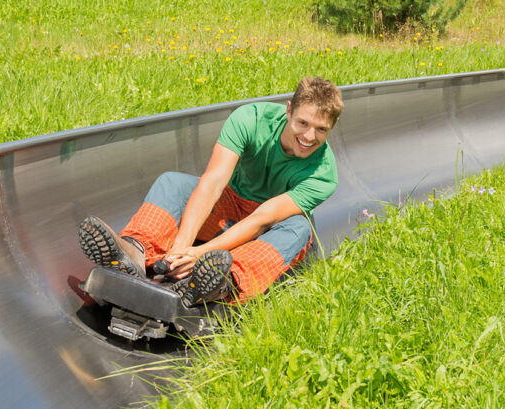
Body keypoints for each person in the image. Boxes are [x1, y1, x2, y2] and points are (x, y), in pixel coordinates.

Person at [78, 76, 343, 308]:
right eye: (303, 123)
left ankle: (222, 280)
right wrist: (181, 247)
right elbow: (213, 181)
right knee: (172, 182)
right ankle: (135, 254)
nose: (309, 136)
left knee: (300, 227)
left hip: (271, 230)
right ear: (288, 111)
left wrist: (199, 254)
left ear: (331, 128)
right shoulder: (250, 119)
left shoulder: (323, 174)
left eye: (321, 130)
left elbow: (263, 219)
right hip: (230, 206)